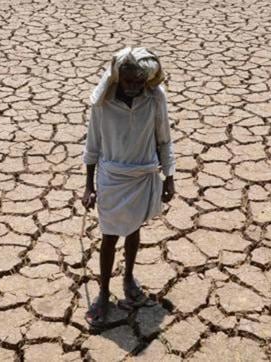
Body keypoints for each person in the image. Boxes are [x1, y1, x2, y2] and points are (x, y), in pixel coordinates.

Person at [81, 47, 176, 327]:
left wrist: (169, 177)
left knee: (134, 229)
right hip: (112, 177)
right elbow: (93, 146)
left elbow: (164, 140)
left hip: (143, 174)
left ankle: (129, 277)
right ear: (117, 78)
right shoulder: (103, 103)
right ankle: (103, 292)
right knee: (109, 236)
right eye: (128, 81)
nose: (134, 86)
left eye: (139, 81)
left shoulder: (155, 98)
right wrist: (89, 186)